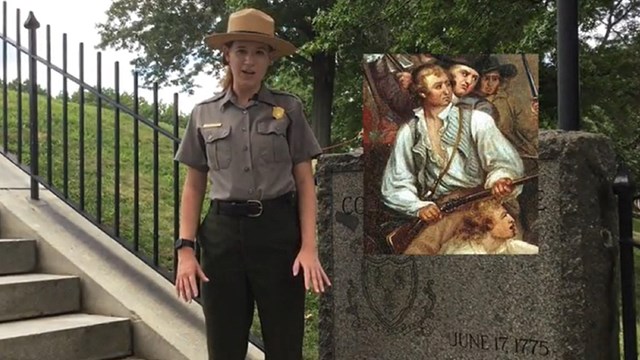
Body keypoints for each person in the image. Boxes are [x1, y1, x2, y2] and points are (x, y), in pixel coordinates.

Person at [172, 8, 331, 360]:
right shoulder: (204, 114)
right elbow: (194, 186)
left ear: (270, 59)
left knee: (285, 343)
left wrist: (309, 247)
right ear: (226, 54)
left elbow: (305, 183)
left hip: (278, 236)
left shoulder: (289, 110)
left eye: (260, 52)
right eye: (241, 50)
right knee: (224, 346)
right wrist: (185, 250)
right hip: (222, 238)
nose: (249, 60)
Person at [380, 62, 524, 255]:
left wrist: (500, 178)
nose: (447, 90)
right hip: (442, 210)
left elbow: (503, 161)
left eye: (448, 84)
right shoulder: (410, 132)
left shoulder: (478, 120)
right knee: (417, 252)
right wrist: (418, 207)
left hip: (481, 203)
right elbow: (396, 183)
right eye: (438, 86)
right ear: (422, 93)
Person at [438, 199, 539, 255]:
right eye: (504, 216)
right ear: (488, 225)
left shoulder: (505, 246)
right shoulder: (466, 253)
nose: (511, 219)